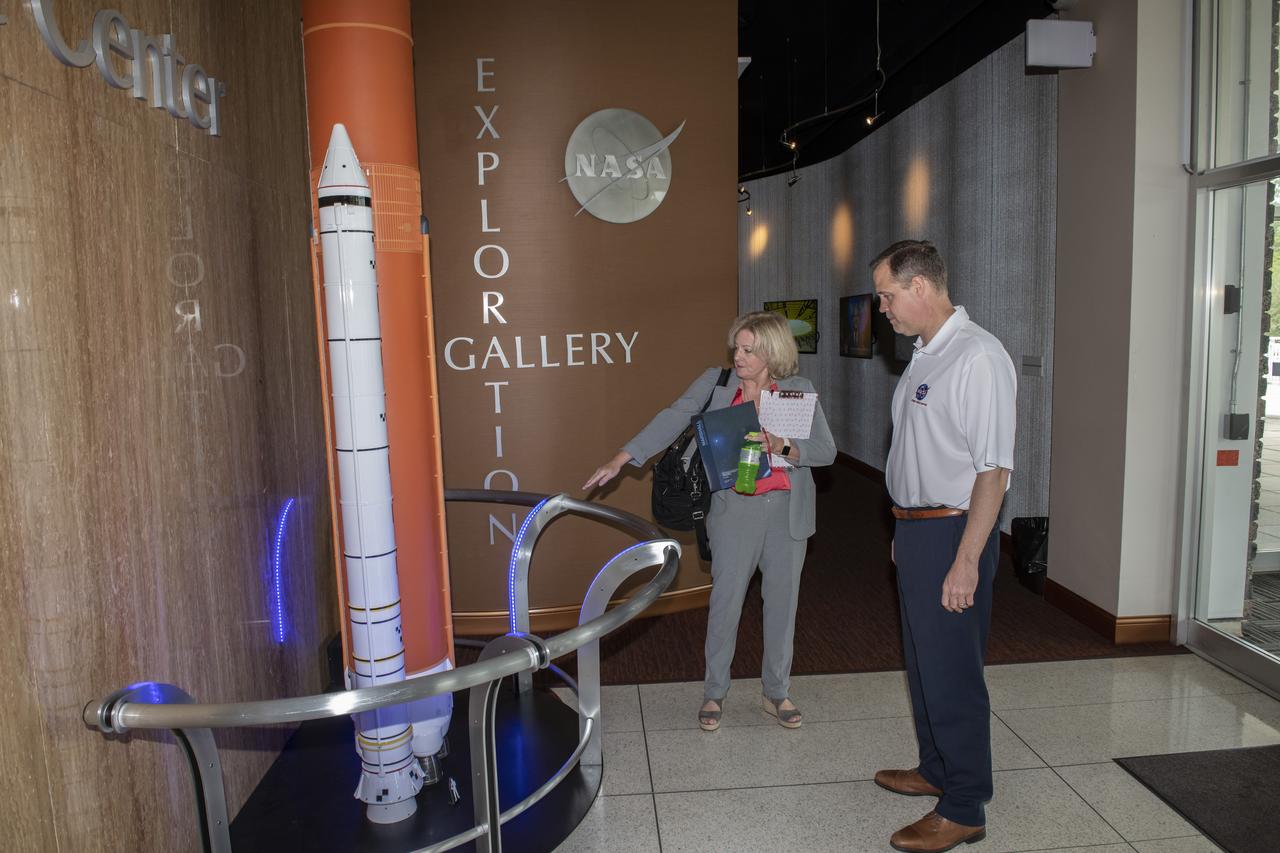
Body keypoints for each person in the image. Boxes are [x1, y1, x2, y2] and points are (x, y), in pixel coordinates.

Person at [583, 311, 835, 731]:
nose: (738, 355)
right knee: (725, 605)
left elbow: (826, 451)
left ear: (772, 352)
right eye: (737, 346)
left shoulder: (797, 392)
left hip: (787, 515)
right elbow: (673, 416)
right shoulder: (717, 385)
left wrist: (785, 445)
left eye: (748, 349)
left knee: (782, 606)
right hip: (733, 511)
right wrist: (622, 458)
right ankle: (715, 691)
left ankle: (776, 692)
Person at [869, 241, 1016, 853]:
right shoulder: (926, 355)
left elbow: (993, 471)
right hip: (920, 529)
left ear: (922, 287)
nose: (882, 309)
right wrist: (906, 527)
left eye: (887, 295)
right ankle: (936, 767)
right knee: (924, 661)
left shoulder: (976, 356)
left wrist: (964, 558)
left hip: (956, 532)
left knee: (953, 671)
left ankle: (964, 804)